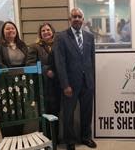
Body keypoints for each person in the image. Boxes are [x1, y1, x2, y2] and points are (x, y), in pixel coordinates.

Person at [53, 8, 96, 150]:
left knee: (86, 112)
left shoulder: (89, 36)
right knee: (68, 114)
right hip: (70, 84)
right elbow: (60, 63)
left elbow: (91, 60)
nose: (77, 19)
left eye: (79, 16)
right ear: (69, 19)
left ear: (83, 19)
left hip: (87, 83)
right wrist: (65, 85)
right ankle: (69, 141)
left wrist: (92, 81)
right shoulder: (61, 37)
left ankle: (86, 137)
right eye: (74, 16)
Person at [0, 21, 28, 136]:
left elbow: (27, 62)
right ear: (3, 31)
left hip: (21, 84)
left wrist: (21, 78)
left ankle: (19, 139)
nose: (10, 30)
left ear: (16, 31)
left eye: (13, 28)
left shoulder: (22, 45)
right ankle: (9, 140)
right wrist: (12, 76)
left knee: (21, 111)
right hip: (4, 85)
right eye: (7, 29)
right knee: (6, 112)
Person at [26, 22, 60, 139]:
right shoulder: (34, 47)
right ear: (40, 34)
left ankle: (55, 139)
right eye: (43, 31)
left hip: (56, 86)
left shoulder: (58, 45)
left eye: (48, 30)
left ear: (52, 32)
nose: (46, 32)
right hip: (42, 87)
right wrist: (46, 70)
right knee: (44, 113)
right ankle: (45, 139)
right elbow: (30, 64)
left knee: (56, 113)